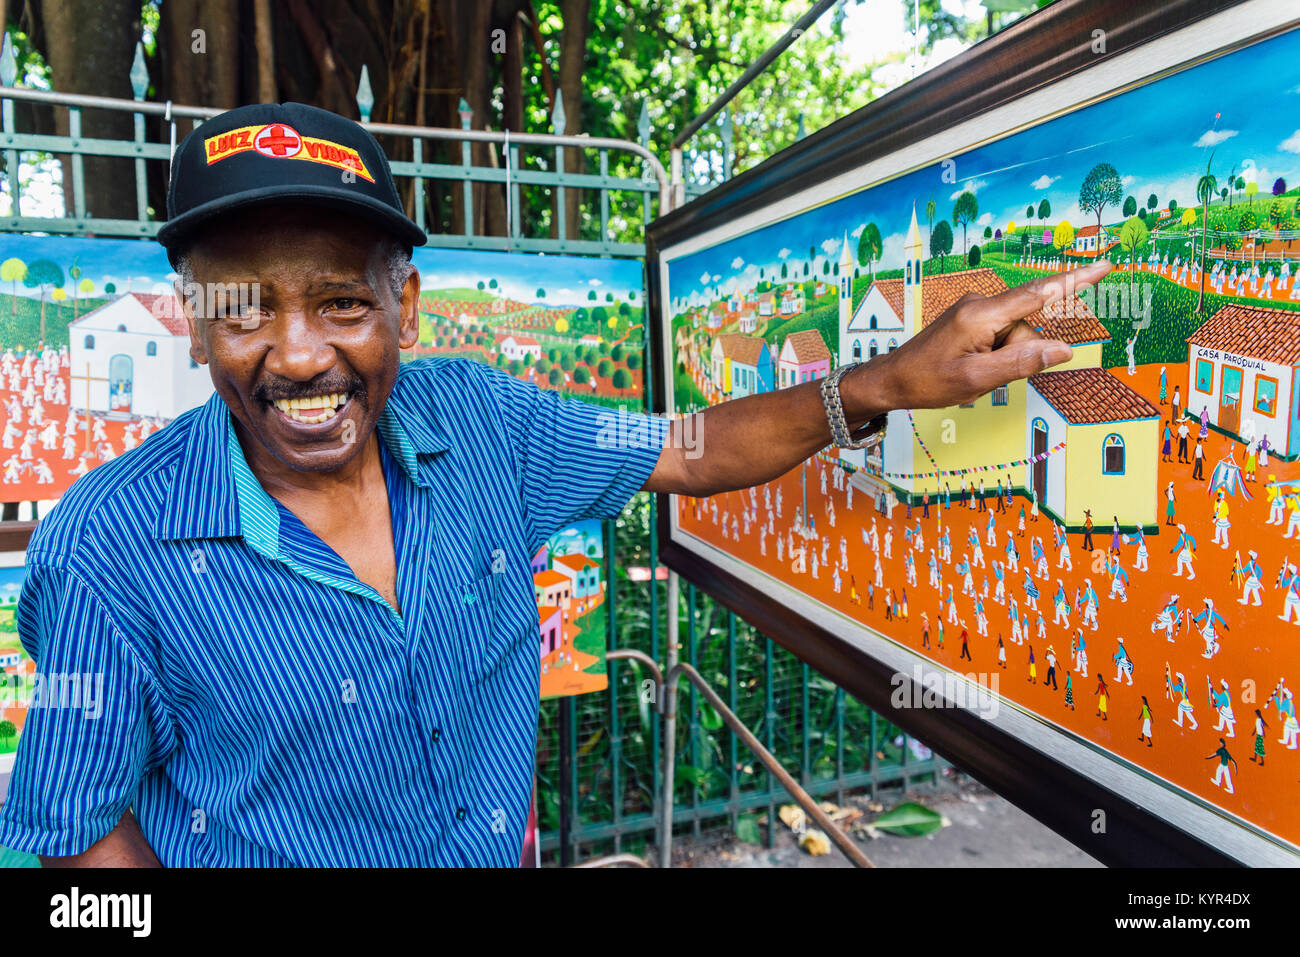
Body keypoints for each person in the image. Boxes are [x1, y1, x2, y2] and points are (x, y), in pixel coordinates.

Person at [0, 103, 1115, 867]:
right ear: (194, 326)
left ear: (406, 309)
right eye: (245, 308)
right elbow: (72, 830)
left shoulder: (484, 422)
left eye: (342, 303)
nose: (296, 356)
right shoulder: (103, 550)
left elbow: (688, 446)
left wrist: (882, 384)